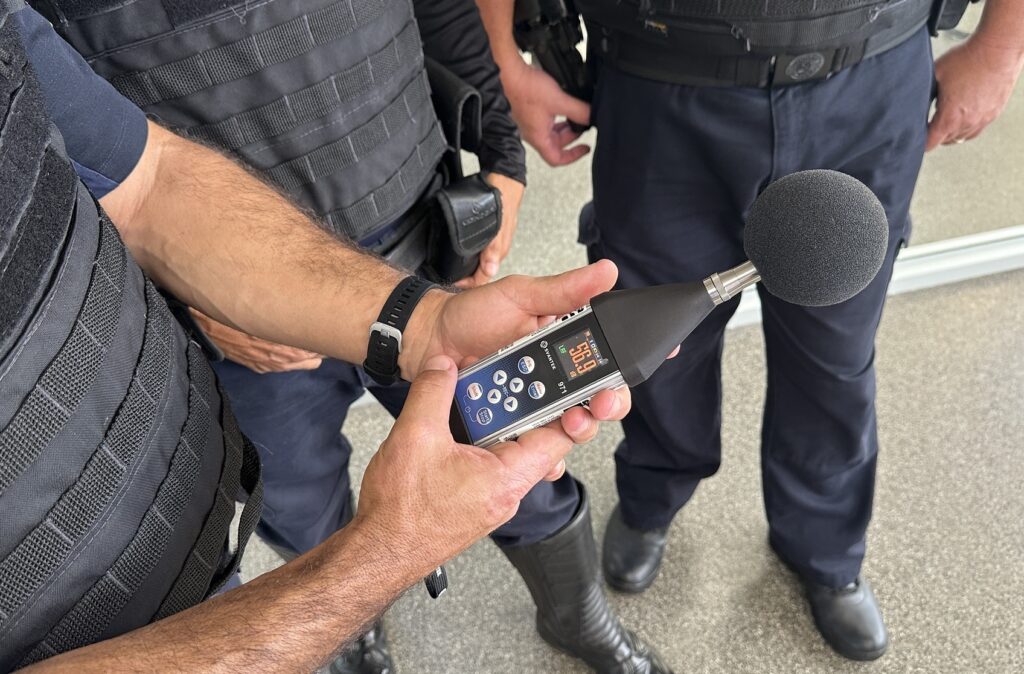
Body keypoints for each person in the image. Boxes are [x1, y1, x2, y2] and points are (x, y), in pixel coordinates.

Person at [38, 0, 676, 671]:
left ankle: (576, 615)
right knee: (299, 499)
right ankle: (353, 633)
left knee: (518, 464)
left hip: (422, 249)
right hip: (234, 316)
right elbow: (52, 127)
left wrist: (500, 151)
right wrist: (173, 281)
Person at [478, 0, 1024, 662]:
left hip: (869, 71)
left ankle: (824, 549)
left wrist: (1000, 46)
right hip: (662, 78)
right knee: (655, 346)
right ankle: (654, 494)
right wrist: (502, 57)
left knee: (835, 356)